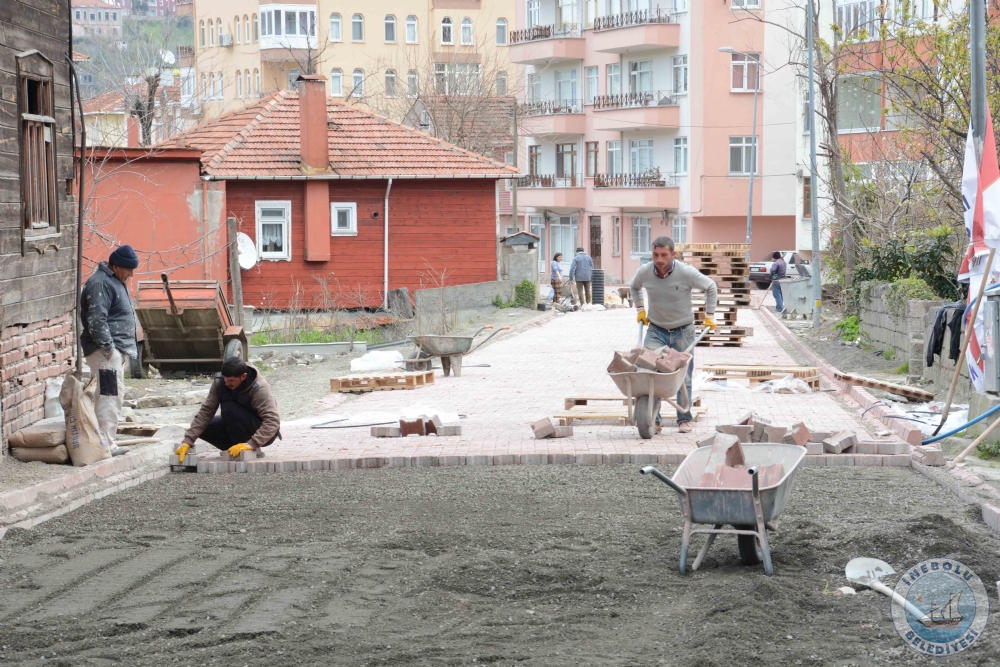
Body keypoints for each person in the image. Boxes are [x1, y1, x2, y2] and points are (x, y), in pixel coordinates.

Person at [630, 237, 718, 434]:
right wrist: (640, 309)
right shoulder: (645, 271)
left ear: (673, 254)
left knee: (682, 376)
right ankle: (654, 420)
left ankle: (684, 419)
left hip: (683, 330)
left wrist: (709, 314)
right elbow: (634, 287)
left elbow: (711, 287)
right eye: (655, 255)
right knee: (649, 373)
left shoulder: (685, 272)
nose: (659, 259)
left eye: (664, 255)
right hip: (656, 329)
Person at [80, 245, 141, 456]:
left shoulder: (114, 280)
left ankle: (105, 441)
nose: (131, 274)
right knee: (108, 395)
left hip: (112, 351)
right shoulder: (100, 283)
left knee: (112, 394)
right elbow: (97, 319)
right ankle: (105, 444)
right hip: (104, 351)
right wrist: (108, 349)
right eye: (128, 269)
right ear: (115, 266)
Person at [175, 357, 281, 462]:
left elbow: (272, 420)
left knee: (229, 408)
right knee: (204, 426)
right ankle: (234, 450)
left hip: (261, 432)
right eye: (225, 379)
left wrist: (252, 443)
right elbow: (206, 411)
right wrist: (187, 441)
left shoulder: (259, 387)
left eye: (231, 380)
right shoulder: (219, 382)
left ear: (243, 376)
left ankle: (251, 448)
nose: (226, 383)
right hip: (236, 421)